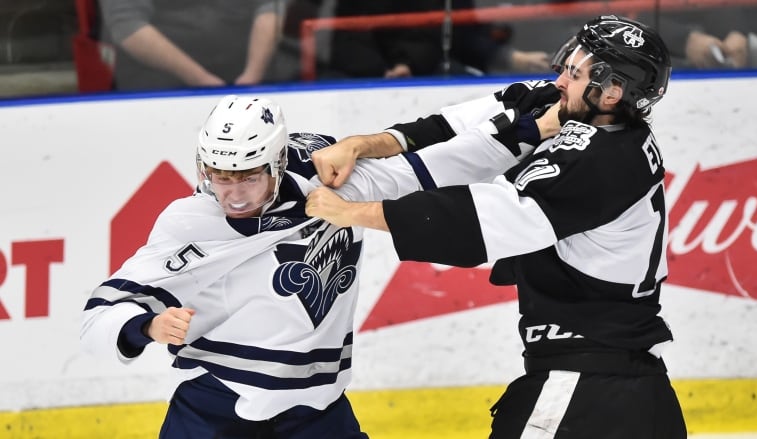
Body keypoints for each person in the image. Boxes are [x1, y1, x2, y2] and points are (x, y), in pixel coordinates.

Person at [306, 15, 687, 438]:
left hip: (588, 390)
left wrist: (349, 212)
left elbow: (475, 224)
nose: (559, 80)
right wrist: (359, 144)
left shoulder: (604, 162)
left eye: (574, 74)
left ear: (612, 91)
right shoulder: (568, 110)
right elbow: (446, 128)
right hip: (626, 384)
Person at [80, 92, 524, 437]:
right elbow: (102, 311)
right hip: (215, 406)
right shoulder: (192, 221)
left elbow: (440, 162)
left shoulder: (332, 182)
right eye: (220, 177)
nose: (233, 195)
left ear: (276, 163)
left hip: (316, 410)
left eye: (249, 177)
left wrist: (535, 118)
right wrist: (146, 327)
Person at [98, 0, 284, 91]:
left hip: (248, 67)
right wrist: (201, 80)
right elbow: (128, 26)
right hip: (160, 76)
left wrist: (252, 75)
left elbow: (270, 6)